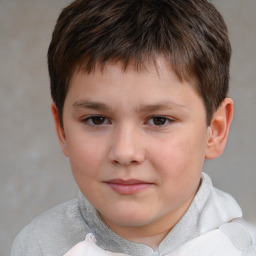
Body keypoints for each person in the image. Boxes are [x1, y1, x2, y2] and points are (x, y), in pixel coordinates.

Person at [11, 0, 256, 255]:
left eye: (159, 120)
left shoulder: (245, 247)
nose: (125, 152)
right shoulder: (35, 246)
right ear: (62, 129)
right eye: (97, 119)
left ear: (214, 131)